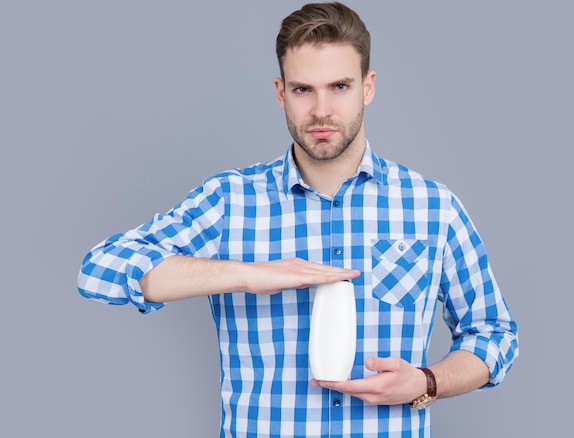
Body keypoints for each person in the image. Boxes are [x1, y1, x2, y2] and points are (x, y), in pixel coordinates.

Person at [78, 2, 518, 436]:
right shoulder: (228, 202)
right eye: (303, 89)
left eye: (340, 87)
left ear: (368, 87)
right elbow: (99, 270)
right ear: (280, 92)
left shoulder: (433, 207)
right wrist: (247, 274)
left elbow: (494, 335)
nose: (321, 110)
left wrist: (426, 382)